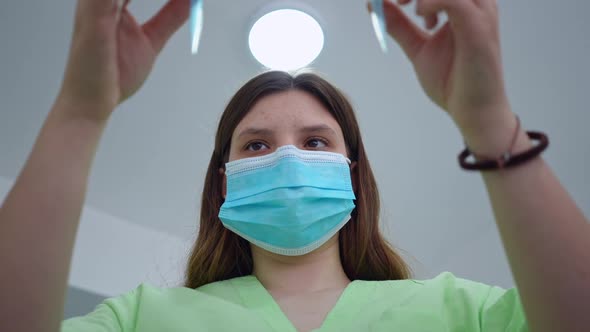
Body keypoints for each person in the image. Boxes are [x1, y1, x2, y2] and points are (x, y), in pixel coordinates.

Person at [0, 0, 588, 331]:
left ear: (354, 174)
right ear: (221, 184)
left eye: (315, 142)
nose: (286, 155)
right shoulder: (142, 319)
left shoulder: (460, 313)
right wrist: (80, 111)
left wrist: (488, 122)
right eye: (255, 144)